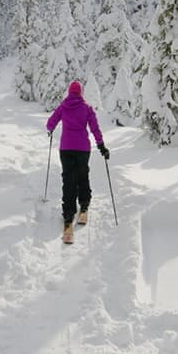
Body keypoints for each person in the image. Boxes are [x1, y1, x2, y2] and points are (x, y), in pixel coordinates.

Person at [46, 80, 109, 244]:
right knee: (82, 176)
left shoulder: (63, 106)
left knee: (68, 180)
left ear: (69, 92)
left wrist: (51, 129)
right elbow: (95, 128)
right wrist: (101, 145)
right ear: (81, 93)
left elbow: (50, 122)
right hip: (82, 149)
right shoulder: (87, 108)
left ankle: (68, 214)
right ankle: (84, 206)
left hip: (66, 148)